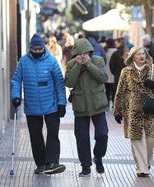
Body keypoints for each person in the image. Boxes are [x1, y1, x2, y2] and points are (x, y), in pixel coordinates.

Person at [11, 33, 67, 175]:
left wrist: (62, 103)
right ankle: (41, 164)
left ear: (43, 48)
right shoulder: (23, 61)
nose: (37, 52)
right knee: (35, 136)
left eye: (39, 49)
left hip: (52, 105)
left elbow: (60, 83)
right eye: (34, 50)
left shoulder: (52, 61)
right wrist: (15, 96)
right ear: (30, 49)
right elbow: (16, 80)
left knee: (53, 133)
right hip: (32, 106)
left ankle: (52, 162)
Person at [113, 46, 154, 177]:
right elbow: (120, 91)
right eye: (138, 54)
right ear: (132, 57)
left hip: (151, 110)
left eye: (143, 54)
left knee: (150, 140)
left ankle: (146, 162)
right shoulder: (126, 71)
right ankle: (142, 168)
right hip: (133, 110)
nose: (142, 56)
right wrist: (117, 110)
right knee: (136, 139)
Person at [65, 38, 109, 177]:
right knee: (82, 136)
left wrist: (89, 65)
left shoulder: (98, 61)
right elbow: (69, 82)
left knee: (102, 134)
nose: (83, 56)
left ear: (90, 52)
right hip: (80, 105)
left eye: (86, 53)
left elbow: (103, 78)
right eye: (80, 54)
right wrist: (78, 66)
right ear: (75, 54)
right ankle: (85, 165)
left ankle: (98, 156)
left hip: (98, 103)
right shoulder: (71, 64)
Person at [104, 38, 117, 109]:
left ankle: (107, 105)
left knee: (107, 91)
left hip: (106, 73)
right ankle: (114, 105)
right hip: (113, 73)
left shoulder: (105, 51)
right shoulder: (116, 51)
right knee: (114, 91)